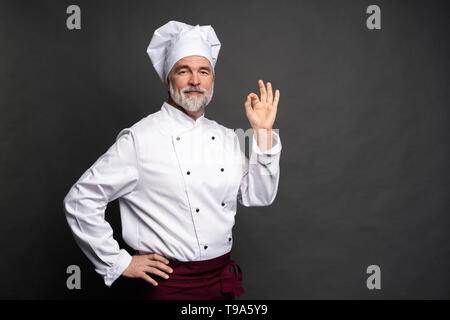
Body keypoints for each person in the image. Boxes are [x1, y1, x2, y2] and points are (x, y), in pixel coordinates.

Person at [63, 20, 282, 300]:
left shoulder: (228, 137)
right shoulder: (140, 139)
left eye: (204, 71)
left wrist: (263, 134)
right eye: (183, 71)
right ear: (168, 79)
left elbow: (260, 196)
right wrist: (119, 262)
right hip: (168, 287)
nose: (194, 80)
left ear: (212, 80)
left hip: (221, 281)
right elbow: (81, 200)